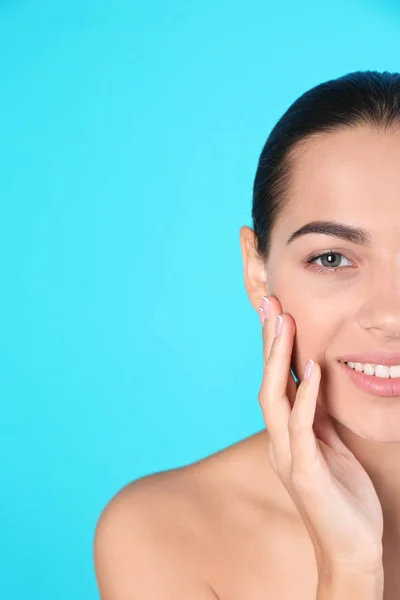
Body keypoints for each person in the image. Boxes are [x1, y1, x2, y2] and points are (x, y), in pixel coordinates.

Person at [92, 70, 400, 599]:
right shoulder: (166, 533)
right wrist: (349, 569)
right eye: (332, 258)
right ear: (258, 274)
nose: (390, 315)